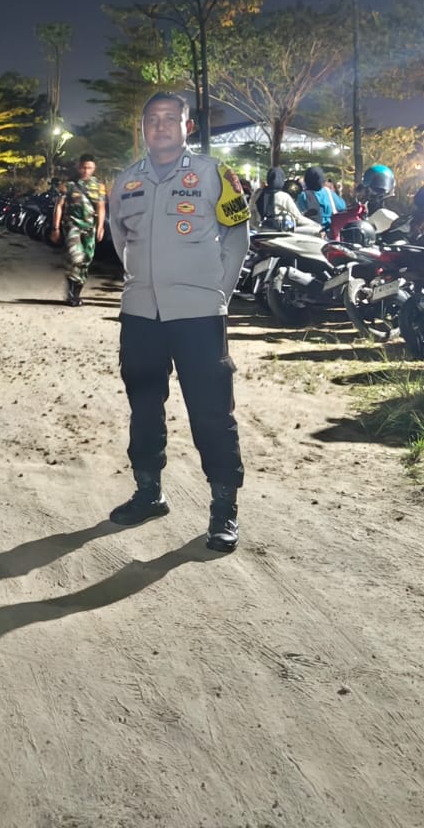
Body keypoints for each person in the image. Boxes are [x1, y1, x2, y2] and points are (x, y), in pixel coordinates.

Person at [106, 92, 251, 552]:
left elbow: (238, 236)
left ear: (187, 127)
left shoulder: (214, 175)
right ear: (143, 127)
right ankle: (149, 493)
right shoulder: (126, 181)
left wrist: (217, 293)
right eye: (153, 119)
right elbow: (119, 239)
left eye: (171, 118)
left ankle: (224, 509)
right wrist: (141, 282)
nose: (161, 125)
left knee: (211, 411)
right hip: (140, 315)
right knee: (144, 407)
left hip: (199, 316)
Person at [48, 153, 107, 306]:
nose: (86, 171)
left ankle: (76, 293)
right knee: (76, 257)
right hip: (72, 225)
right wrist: (55, 228)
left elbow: (101, 207)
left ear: (94, 168)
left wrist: (100, 227)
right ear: (78, 167)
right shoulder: (68, 185)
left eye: (89, 168)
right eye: (83, 167)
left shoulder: (98, 186)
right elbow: (59, 206)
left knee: (86, 259)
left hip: (90, 227)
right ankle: (71, 292)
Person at [252, 165, 310, 231]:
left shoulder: (257, 194)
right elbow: (298, 217)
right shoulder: (283, 196)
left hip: (261, 231)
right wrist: (315, 225)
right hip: (280, 232)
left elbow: (252, 214)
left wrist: (258, 229)